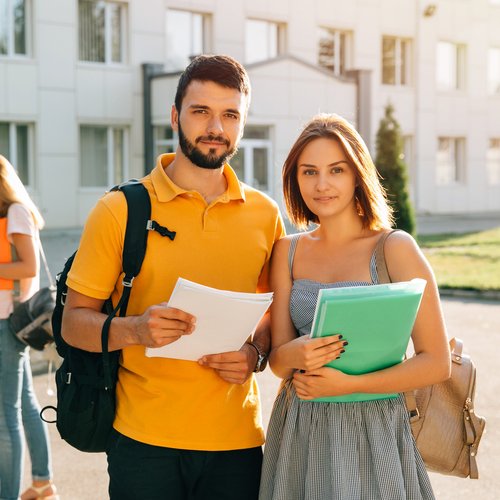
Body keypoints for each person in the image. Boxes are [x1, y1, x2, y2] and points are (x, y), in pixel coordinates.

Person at [62, 54, 285, 500]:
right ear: (175, 117)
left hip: (237, 442)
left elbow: (273, 318)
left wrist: (255, 354)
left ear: (242, 124)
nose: (215, 128)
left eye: (230, 115)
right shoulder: (120, 210)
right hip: (144, 441)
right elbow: (73, 325)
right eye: (200, 111)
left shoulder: (265, 215)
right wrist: (136, 329)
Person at [259, 114, 451, 500]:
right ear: (295, 179)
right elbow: (278, 361)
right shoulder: (287, 250)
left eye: (336, 170)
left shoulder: (395, 248)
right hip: (301, 423)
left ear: (357, 175)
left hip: (374, 427)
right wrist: (293, 352)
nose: (322, 184)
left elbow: (436, 361)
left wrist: (352, 385)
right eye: (309, 172)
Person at [0, 155, 58, 500]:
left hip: (8, 321)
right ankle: (42, 482)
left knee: (5, 412)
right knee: (22, 401)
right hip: (5, 319)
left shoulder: (16, 212)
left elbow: (27, 266)